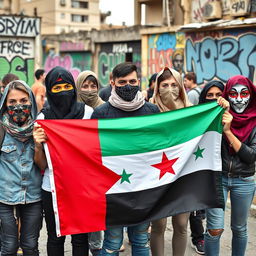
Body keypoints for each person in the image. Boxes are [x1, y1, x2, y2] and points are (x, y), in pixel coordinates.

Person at [91, 62, 159, 256]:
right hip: (113, 191)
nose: (128, 86)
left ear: (139, 81)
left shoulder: (151, 112)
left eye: (132, 81)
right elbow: (92, 151)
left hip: (143, 189)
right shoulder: (101, 114)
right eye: (122, 82)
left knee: (141, 241)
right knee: (112, 243)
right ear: (112, 82)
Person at [33, 66, 93, 256]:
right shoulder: (43, 118)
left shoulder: (88, 113)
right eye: (56, 89)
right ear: (49, 91)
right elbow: (42, 165)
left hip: (82, 188)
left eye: (66, 86)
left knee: (81, 238)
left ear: (73, 89)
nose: (62, 92)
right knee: (55, 237)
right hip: (52, 188)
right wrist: (37, 145)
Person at [204, 75, 256, 256]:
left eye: (245, 93)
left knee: (240, 228)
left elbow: (251, 157)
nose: (239, 99)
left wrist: (228, 132)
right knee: (214, 229)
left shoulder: (255, 121)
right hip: (218, 179)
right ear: (227, 95)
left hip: (245, 181)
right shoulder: (218, 114)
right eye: (233, 93)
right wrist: (218, 114)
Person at [150, 66, 191, 256]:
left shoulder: (193, 112)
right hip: (157, 175)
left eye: (174, 85)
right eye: (164, 85)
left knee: (181, 225)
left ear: (181, 87)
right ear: (157, 88)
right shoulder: (149, 111)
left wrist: (222, 105)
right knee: (158, 224)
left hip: (184, 175)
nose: (169, 89)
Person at [0, 80, 42, 256]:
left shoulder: (40, 127)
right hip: (4, 197)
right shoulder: (1, 129)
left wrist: (39, 146)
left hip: (33, 196)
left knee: (30, 246)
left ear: (31, 101)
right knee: (9, 247)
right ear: (5, 104)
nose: (18, 106)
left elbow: (43, 166)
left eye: (24, 101)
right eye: (12, 102)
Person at [189, 80, 225, 255]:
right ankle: (198, 238)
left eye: (219, 95)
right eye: (209, 95)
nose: (214, 99)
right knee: (197, 205)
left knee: (215, 221)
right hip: (200, 168)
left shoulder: (229, 116)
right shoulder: (198, 117)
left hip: (220, 171)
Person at [76, 70, 104, 255]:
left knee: (97, 221)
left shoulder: (105, 109)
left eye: (93, 86)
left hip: (98, 174)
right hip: (77, 173)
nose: (89, 90)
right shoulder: (72, 110)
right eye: (85, 86)